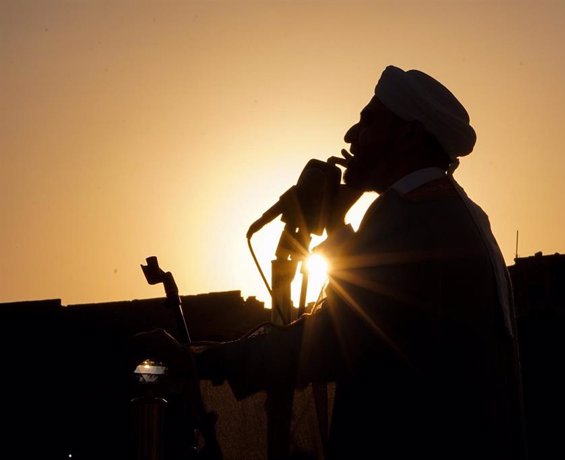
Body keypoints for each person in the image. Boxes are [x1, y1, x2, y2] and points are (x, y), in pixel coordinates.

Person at [195, 65, 526, 459]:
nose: (351, 136)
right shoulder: (457, 214)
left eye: (367, 122)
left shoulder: (407, 215)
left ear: (407, 134)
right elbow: (386, 319)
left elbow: (340, 337)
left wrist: (206, 361)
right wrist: (336, 226)